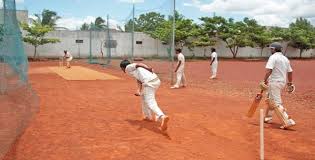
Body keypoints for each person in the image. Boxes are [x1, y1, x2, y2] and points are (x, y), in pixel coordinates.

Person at [120, 60, 170, 131]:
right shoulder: (134, 70)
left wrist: (148, 68)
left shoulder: (128, 68)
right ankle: (147, 116)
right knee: (143, 97)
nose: (122, 70)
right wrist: (139, 90)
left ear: (122, 67)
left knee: (151, 102)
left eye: (121, 68)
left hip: (149, 83)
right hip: (155, 81)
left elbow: (138, 64)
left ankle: (162, 116)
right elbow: (139, 80)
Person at [262, 42, 296, 129]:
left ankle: (287, 121)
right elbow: (290, 72)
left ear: (274, 49)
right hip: (281, 82)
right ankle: (268, 118)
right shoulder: (285, 58)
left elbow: (269, 71)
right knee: (270, 100)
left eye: (271, 49)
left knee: (276, 102)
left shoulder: (273, 57)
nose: (270, 50)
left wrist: (264, 81)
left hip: (274, 82)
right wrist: (290, 83)